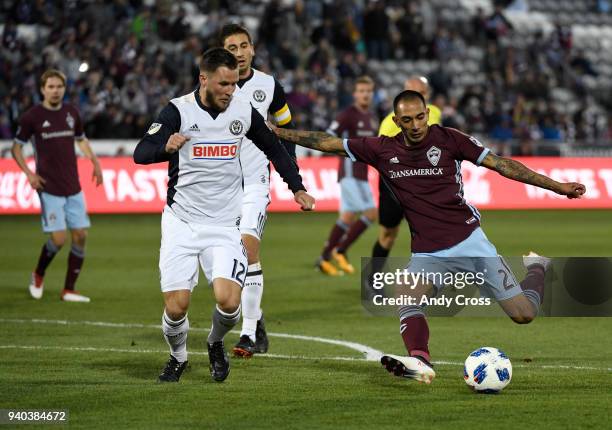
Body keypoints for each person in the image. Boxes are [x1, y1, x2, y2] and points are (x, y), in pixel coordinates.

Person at [270, 90, 586, 384]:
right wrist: (277, 133)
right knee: (405, 295)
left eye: (420, 117)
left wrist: (556, 186)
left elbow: (502, 165)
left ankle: (537, 268)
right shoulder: (382, 149)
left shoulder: (450, 140)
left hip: (470, 241)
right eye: (407, 120)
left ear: (427, 113)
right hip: (427, 252)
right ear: (396, 122)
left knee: (523, 315)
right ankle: (420, 361)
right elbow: (328, 142)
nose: (416, 124)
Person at [133, 48, 314, 384]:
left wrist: (297, 187)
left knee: (229, 302)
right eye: (224, 84)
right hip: (181, 222)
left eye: (233, 83)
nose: (230, 90)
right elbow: (140, 153)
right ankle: (178, 357)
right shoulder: (177, 111)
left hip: (224, 223)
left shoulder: (242, 110)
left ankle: (215, 342)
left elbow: (273, 147)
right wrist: (165, 148)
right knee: (176, 308)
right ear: (204, 79)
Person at [219, 23, 297, 357]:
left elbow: (286, 127)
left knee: (249, 251)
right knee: (224, 265)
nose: (238, 53)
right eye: (231, 48)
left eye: (243, 46)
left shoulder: (269, 85)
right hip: (218, 187)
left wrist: (292, 174)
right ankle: (257, 318)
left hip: (254, 181)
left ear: (253, 48)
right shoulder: (214, 86)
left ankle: (248, 334)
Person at [12, 69, 103, 303]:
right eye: (50, 87)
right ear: (42, 89)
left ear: (64, 88)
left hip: (73, 186)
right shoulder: (31, 117)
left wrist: (94, 161)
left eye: (59, 87)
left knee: (81, 236)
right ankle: (38, 274)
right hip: (48, 186)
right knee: (59, 239)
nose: (55, 91)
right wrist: (29, 173)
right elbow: (16, 148)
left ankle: (69, 290)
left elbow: (81, 140)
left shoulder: (71, 112)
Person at [371, 76, 441, 278]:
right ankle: (373, 280)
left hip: (423, 185)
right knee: (387, 236)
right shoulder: (390, 122)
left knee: (432, 232)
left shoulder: (434, 112)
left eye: (424, 93)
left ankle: (439, 278)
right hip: (394, 184)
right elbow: (379, 154)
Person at [317, 76, 379, 276]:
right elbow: (328, 135)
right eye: (361, 91)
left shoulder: (371, 116)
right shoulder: (348, 114)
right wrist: (344, 151)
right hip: (350, 171)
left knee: (347, 217)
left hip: (362, 172)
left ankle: (324, 258)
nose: (365, 94)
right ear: (355, 94)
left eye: (368, 91)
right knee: (370, 214)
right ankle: (340, 251)